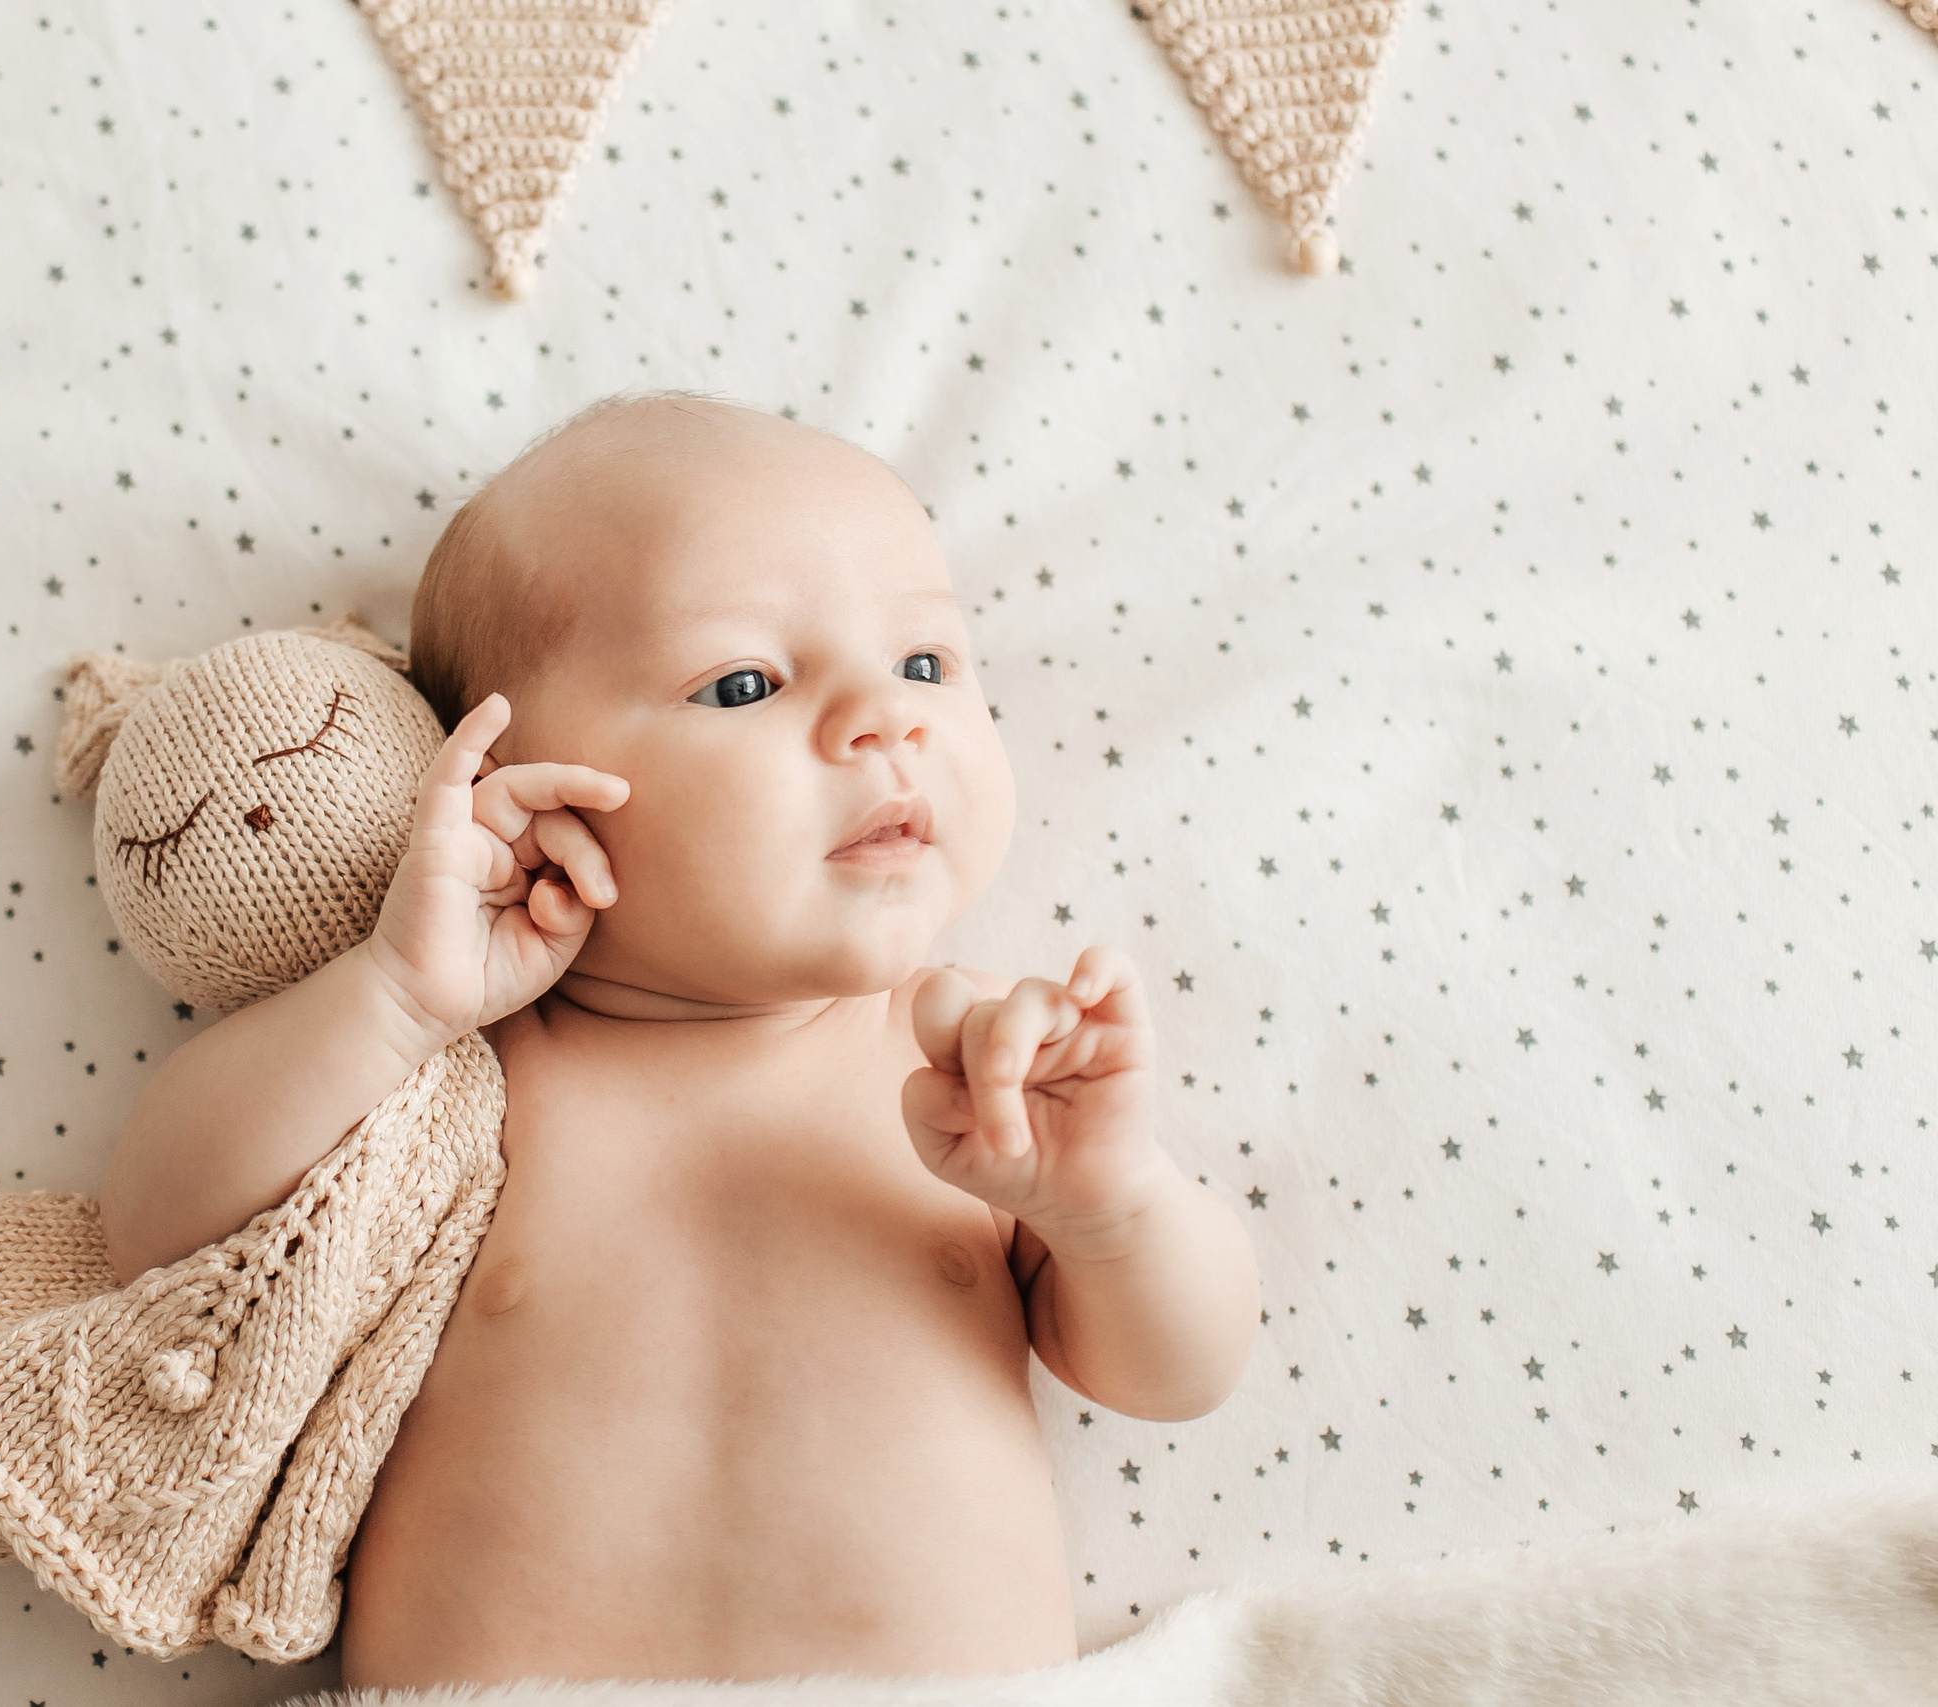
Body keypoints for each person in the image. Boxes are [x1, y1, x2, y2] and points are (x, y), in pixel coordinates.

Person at [97, 394, 1259, 1689]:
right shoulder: (469, 1076)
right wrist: (393, 1000)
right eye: (745, 683)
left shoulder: (977, 1068)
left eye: (927, 664)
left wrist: (1111, 1208)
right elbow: (155, 1223)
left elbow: (1178, 1374)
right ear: (521, 788)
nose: (888, 720)